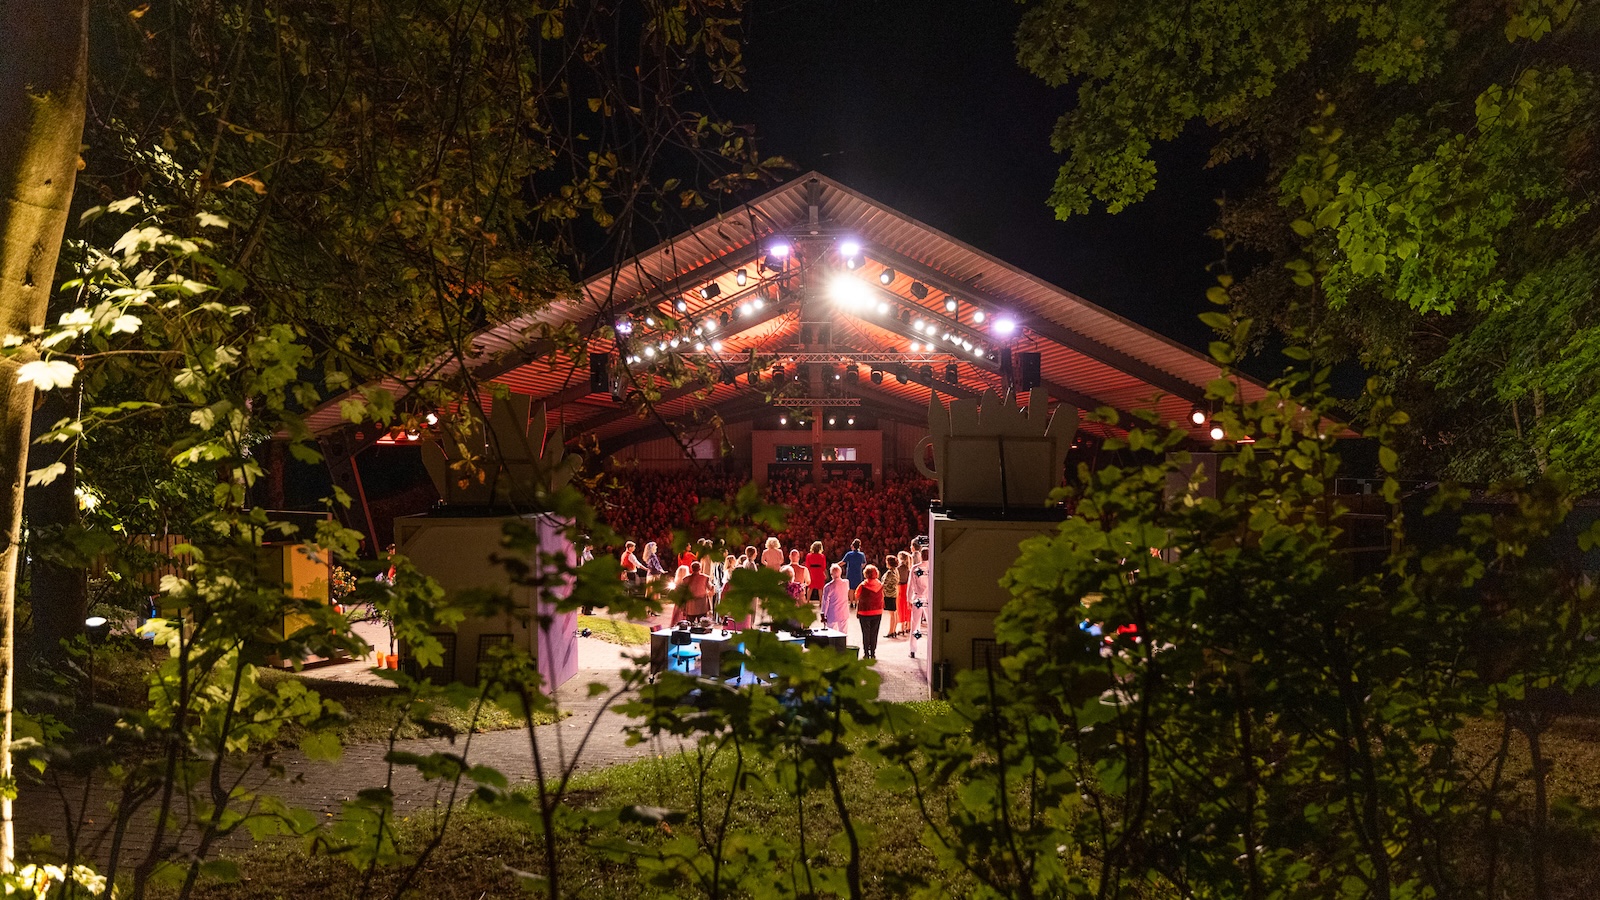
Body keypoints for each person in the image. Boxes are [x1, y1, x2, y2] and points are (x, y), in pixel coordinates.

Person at [856, 564, 885, 659]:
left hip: (864, 612)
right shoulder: (880, 585)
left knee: (866, 632)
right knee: (874, 632)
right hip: (877, 611)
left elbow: (856, 595)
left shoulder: (863, 585)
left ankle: (866, 653)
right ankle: (873, 652)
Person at [820, 564, 849, 630]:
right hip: (844, 613)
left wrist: (823, 614)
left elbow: (825, 602)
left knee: (832, 633)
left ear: (831, 574)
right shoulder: (846, 583)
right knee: (843, 632)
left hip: (832, 614)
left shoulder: (828, 586)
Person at [881, 553, 901, 636]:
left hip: (889, 594)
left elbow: (884, 583)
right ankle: (893, 630)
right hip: (894, 593)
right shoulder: (896, 570)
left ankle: (891, 631)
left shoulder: (890, 572)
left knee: (892, 614)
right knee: (894, 613)